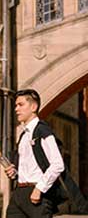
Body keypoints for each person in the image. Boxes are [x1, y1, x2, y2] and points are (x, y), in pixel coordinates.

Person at [4, 89, 65, 217]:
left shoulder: (43, 131)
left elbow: (58, 164)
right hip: (19, 193)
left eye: (20, 105)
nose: (16, 109)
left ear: (33, 107)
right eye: (16, 105)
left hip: (37, 194)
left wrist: (39, 188)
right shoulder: (23, 136)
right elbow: (30, 167)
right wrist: (15, 173)